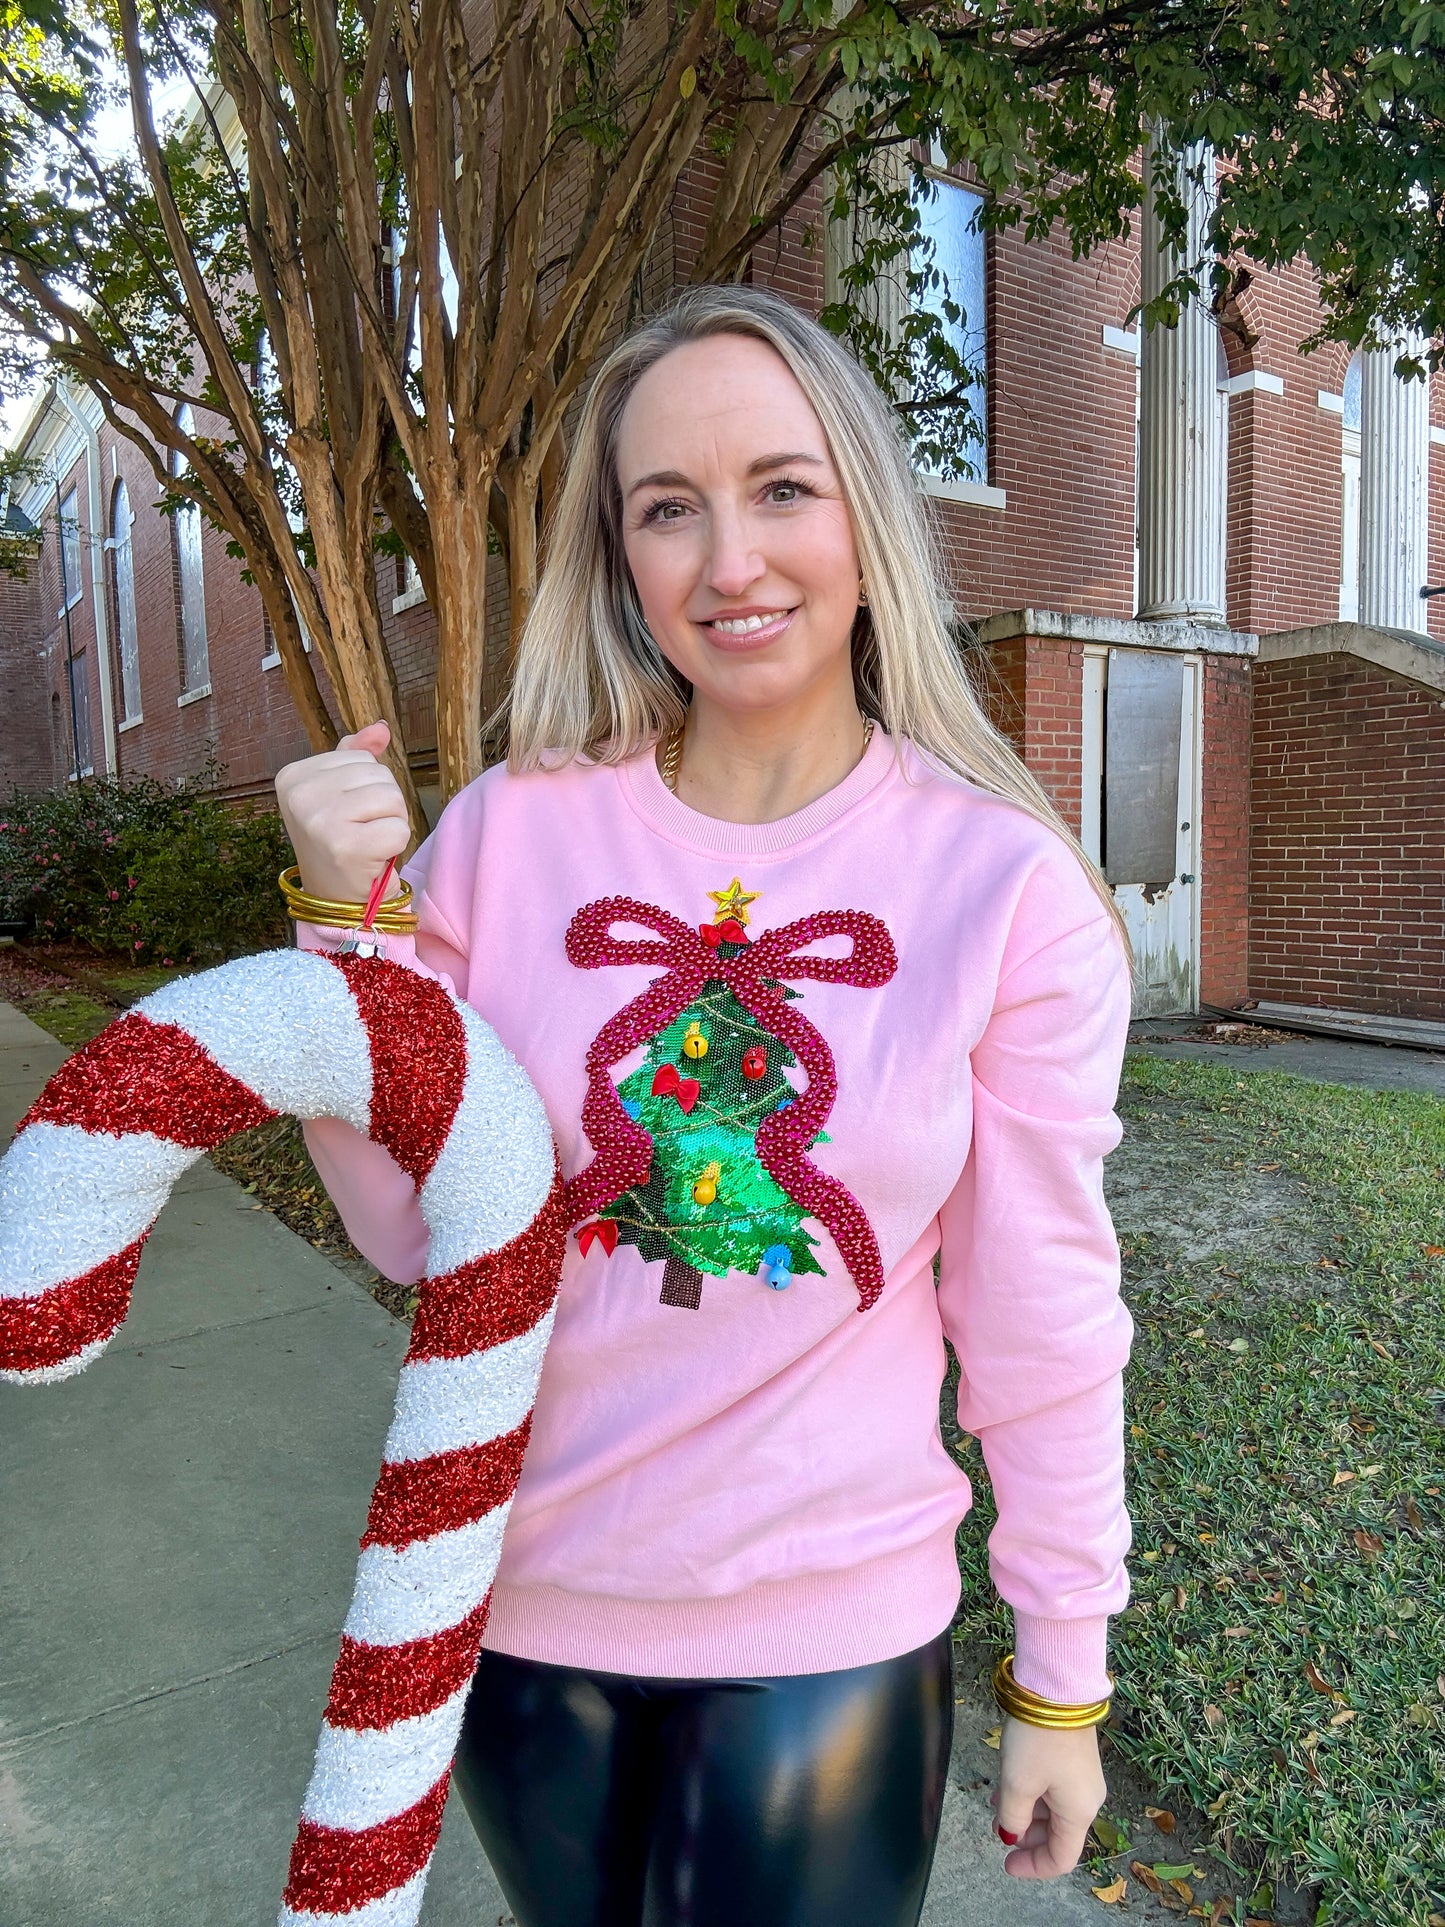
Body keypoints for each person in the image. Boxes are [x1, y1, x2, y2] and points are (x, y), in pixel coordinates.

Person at [275, 283, 1135, 1927]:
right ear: (620, 557)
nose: (729, 561)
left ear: (864, 515)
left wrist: (1061, 1680)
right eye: (669, 508)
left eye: (780, 490)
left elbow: (1041, 1321)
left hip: (826, 1641)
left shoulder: (1001, 892)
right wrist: (349, 921)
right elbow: (406, 1231)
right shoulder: (510, 841)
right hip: (522, 1618)